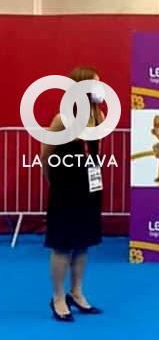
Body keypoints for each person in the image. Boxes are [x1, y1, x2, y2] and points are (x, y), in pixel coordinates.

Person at [42, 66, 107, 322]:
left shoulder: (99, 116)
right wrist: (51, 180)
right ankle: (58, 298)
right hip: (65, 186)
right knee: (62, 245)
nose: (100, 90)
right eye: (95, 84)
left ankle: (76, 293)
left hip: (89, 186)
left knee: (82, 244)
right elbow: (46, 153)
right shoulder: (63, 119)